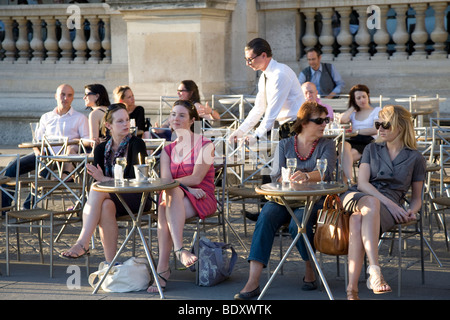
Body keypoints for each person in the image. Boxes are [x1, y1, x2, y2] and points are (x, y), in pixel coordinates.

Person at [234, 101, 336, 300]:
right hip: (285, 199)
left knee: (297, 224)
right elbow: (275, 176)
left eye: (326, 120)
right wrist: (284, 178)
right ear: (304, 122)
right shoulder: (285, 144)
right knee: (265, 216)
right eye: (319, 120)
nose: (325, 124)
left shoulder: (327, 144)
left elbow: (328, 173)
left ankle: (310, 268)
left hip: (313, 199)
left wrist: (306, 176)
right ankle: (253, 280)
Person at [341, 105, 426, 300]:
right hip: (359, 196)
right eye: (378, 124)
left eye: (385, 125)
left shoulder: (415, 157)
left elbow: (416, 198)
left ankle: (351, 291)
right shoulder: (372, 148)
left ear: (401, 127)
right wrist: (393, 205)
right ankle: (375, 270)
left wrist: (411, 211)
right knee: (370, 203)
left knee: (356, 221)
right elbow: (362, 183)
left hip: (386, 206)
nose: (380, 128)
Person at [61, 103, 150, 262]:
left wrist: (104, 179)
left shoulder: (137, 144)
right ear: (108, 125)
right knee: (105, 206)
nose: (125, 124)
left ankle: (83, 243)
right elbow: (99, 180)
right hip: (112, 199)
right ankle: (111, 264)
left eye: (127, 120)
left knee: (97, 189)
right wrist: (103, 181)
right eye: (120, 121)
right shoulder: (101, 149)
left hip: (137, 197)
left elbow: (136, 181)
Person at [147, 100, 216, 293]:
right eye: (173, 114)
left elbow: (197, 177)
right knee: (167, 198)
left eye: (182, 115)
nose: (176, 118)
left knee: (165, 204)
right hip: (178, 196)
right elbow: (166, 181)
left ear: (192, 120)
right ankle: (178, 252)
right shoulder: (167, 150)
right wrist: (185, 188)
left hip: (202, 197)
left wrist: (184, 188)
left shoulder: (206, 144)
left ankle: (163, 268)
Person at [1, 84, 89, 210]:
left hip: (65, 158)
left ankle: (28, 206)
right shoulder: (46, 117)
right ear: (56, 96)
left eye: (69, 95)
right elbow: (36, 140)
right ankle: (5, 208)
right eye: (62, 94)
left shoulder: (80, 118)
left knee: (45, 169)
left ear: (73, 98)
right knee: (12, 167)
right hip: (43, 154)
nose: (65, 98)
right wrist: (38, 152)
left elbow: (86, 141)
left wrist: (72, 143)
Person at [228, 38, 305, 141]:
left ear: (264, 55)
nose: (247, 63)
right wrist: (240, 131)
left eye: (250, 59)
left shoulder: (280, 74)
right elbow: (259, 108)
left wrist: (257, 136)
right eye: (246, 59)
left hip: (298, 126)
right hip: (286, 127)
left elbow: (272, 111)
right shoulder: (264, 76)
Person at [340, 84, 381, 182]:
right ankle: (350, 181)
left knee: (340, 159)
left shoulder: (376, 110)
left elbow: (375, 129)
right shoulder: (354, 113)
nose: (362, 100)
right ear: (354, 100)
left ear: (368, 96)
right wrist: (352, 108)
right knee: (343, 145)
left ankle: (346, 183)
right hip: (354, 140)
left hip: (368, 141)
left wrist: (357, 131)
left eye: (364, 97)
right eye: (358, 98)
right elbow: (342, 120)